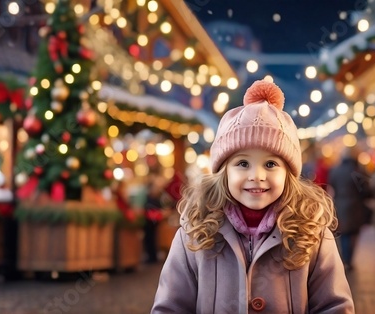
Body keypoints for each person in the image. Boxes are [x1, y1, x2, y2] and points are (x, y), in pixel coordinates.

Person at [151, 80, 354, 313]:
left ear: (288, 173)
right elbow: (170, 307)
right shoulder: (194, 233)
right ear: (223, 171)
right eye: (243, 163)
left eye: (270, 164)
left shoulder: (313, 234)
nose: (256, 176)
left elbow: (334, 306)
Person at [328, 147, 371, 272]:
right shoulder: (358, 171)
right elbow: (366, 190)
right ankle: (348, 259)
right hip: (356, 206)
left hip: (340, 204)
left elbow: (332, 185)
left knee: (343, 233)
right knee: (353, 233)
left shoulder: (336, 170)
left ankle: (345, 259)